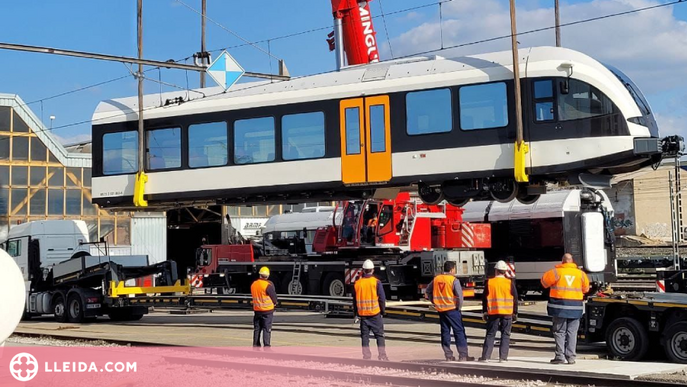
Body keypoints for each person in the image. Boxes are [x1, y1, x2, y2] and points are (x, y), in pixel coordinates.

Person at [540, 253, 590, 365]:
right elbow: (586, 289)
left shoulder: (556, 272)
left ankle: (559, 356)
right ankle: (571, 357)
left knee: (559, 332)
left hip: (559, 308)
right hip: (575, 308)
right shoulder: (581, 274)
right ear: (572, 261)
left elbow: (544, 282)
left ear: (562, 261)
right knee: (572, 332)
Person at [426, 261, 474, 361]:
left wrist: (434, 302)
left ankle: (448, 356)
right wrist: (459, 307)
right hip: (452, 309)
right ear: (452, 269)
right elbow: (460, 296)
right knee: (459, 332)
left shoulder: (436, 279)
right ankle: (463, 355)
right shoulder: (453, 280)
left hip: (441, 310)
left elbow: (428, 291)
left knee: (445, 332)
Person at [479, 260, 518, 362]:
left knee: (490, 334)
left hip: (493, 313)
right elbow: (515, 299)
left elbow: (484, 298)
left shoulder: (490, 282)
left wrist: (484, 311)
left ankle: (486, 357)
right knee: (505, 335)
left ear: (495, 270)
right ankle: (503, 358)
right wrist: (515, 312)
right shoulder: (510, 283)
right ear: (505, 271)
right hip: (507, 313)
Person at [352, 259, 388, 361]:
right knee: (379, 336)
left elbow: (354, 301)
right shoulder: (376, 282)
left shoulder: (357, 284)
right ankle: (382, 356)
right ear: (372, 270)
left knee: (365, 337)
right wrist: (383, 311)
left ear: (363, 270)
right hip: (375, 315)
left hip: (363, 316)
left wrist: (356, 314)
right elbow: (382, 298)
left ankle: (366, 357)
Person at [251, 266, 278, 349]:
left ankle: (255, 345)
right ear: (267, 275)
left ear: (260, 275)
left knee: (257, 329)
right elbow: (274, 297)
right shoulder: (268, 285)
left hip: (257, 310)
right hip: (267, 311)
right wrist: (275, 303)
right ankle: (266, 346)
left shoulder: (254, 284)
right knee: (266, 329)